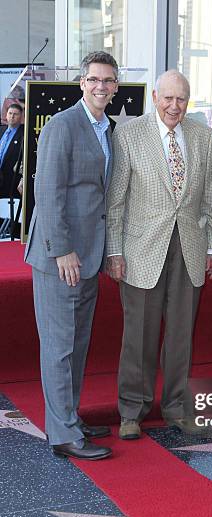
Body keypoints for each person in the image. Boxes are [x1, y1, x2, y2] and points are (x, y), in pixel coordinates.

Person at [106, 69, 212, 440]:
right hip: (141, 250)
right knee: (137, 334)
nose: (175, 106)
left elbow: (208, 197)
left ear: (189, 101)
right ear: (155, 96)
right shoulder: (129, 134)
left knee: (181, 335)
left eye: (182, 99)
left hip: (189, 246)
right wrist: (115, 251)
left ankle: (175, 407)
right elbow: (117, 200)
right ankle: (131, 411)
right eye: (168, 98)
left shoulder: (204, 136)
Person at [24, 51, 119, 460]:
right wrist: (62, 249)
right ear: (82, 83)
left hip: (90, 254)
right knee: (59, 345)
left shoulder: (108, 129)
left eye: (108, 80)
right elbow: (46, 193)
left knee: (77, 344)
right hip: (59, 257)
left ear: (115, 87)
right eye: (94, 79)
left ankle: (69, 417)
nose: (101, 86)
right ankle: (61, 433)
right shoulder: (62, 126)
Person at [0, 104, 24, 199]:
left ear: (21, 117)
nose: (12, 116)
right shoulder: (1, 129)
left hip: (11, 182)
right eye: (10, 113)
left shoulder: (24, 134)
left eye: (15, 114)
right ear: (6, 115)